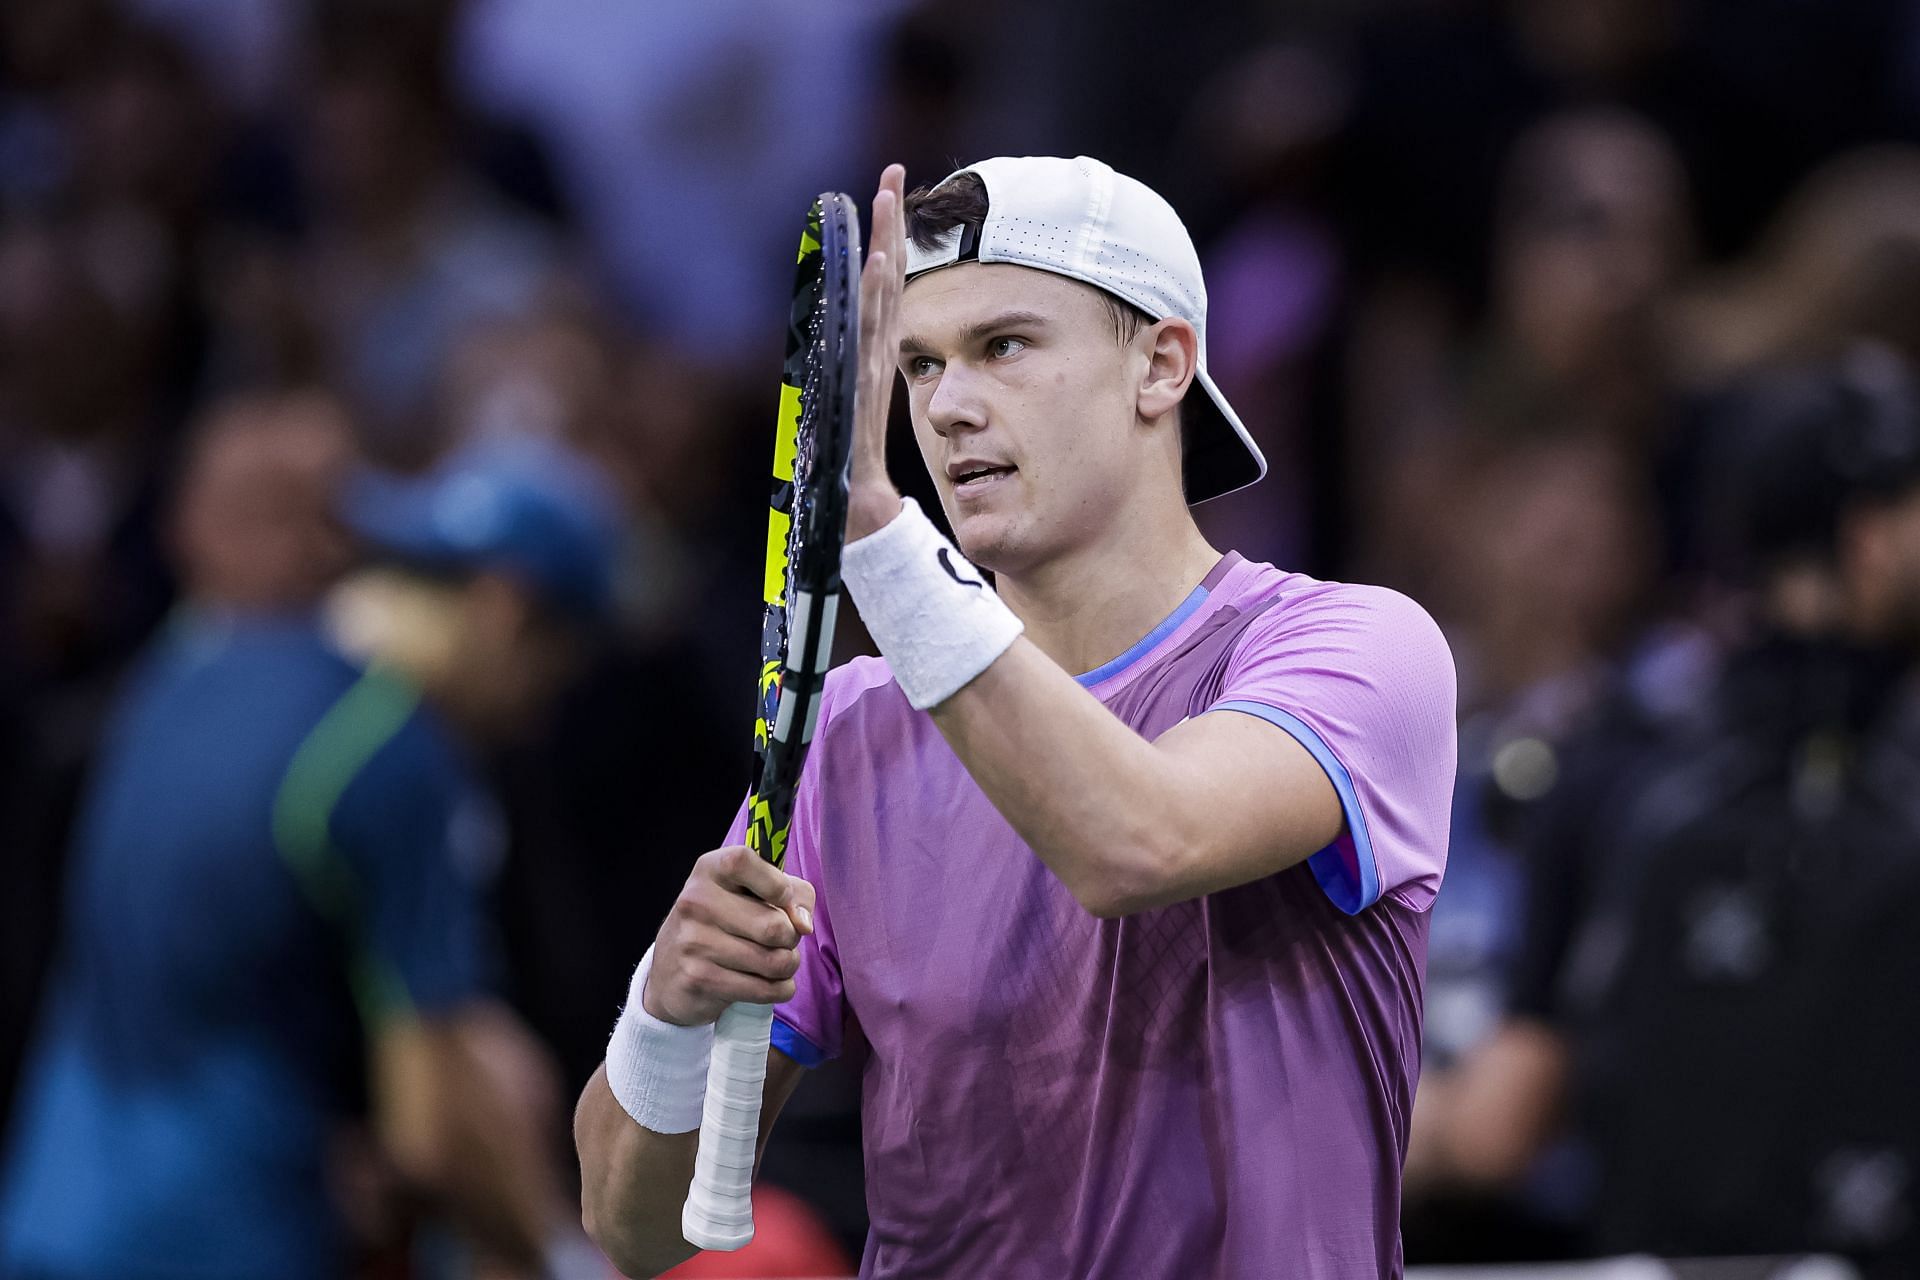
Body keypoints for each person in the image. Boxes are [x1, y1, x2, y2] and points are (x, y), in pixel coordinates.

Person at [577, 156, 1457, 1278]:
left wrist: (877, 537)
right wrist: (665, 1011)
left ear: (1161, 363)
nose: (945, 406)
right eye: (919, 364)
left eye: (1003, 346)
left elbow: (1142, 839)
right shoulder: (852, 727)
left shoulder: (1355, 650)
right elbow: (634, 1227)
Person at [0, 397, 613, 1280]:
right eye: (554, 675)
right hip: (231, 1245)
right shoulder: (395, 752)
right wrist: (555, 1253)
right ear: (507, 611)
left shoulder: (180, 670)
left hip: (49, 1225)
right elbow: (434, 1131)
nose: (533, 717)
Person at [1416, 347, 1920, 1271]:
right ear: (1867, 536)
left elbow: (1498, 1124)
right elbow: (1504, 1123)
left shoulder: (1628, 760)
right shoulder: (1633, 775)